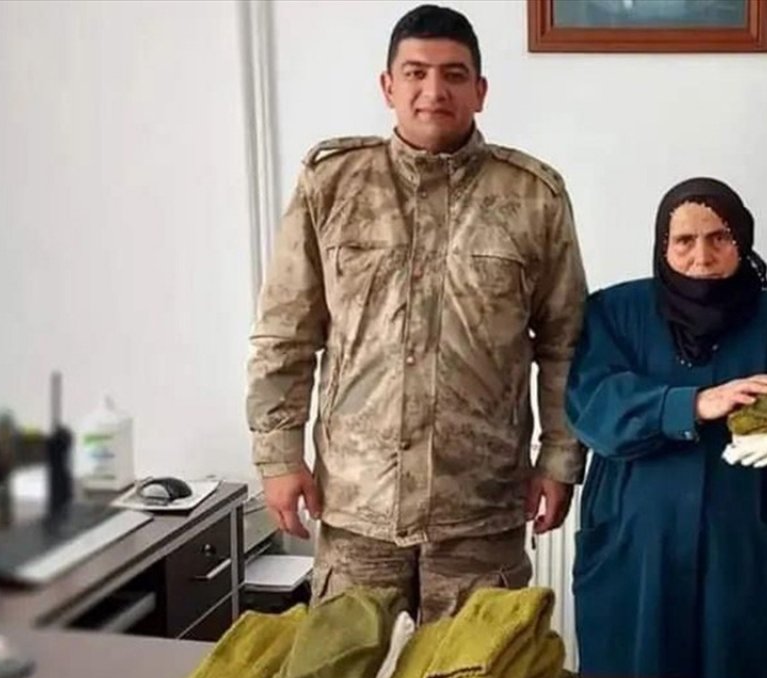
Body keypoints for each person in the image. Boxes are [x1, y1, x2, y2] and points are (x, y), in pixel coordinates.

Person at [245, 4, 588, 622]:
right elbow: (286, 335)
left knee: (478, 677)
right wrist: (280, 456)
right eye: (416, 73)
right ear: (388, 86)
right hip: (357, 506)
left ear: (480, 91)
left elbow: (564, 344)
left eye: (454, 75)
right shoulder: (333, 184)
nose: (434, 90)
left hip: (480, 509)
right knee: (348, 677)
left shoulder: (532, 196)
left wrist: (558, 460)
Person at [565, 177, 767, 678]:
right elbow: (594, 410)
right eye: (684, 241)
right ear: (662, 246)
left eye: (719, 237)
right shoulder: (614, 313)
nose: (701, 257)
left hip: (746, 559)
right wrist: (695, 403)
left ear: (742, 240)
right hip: (637, 556)